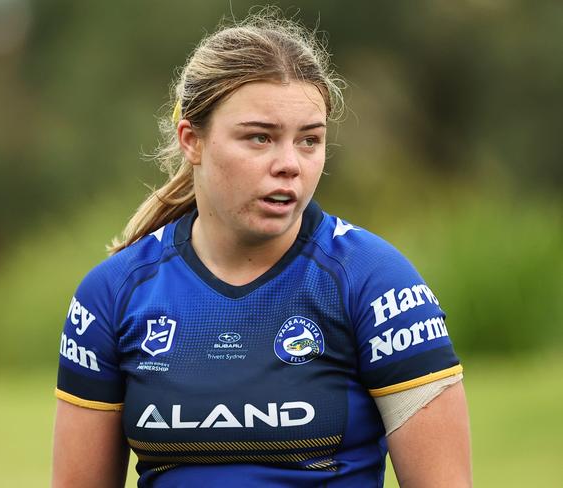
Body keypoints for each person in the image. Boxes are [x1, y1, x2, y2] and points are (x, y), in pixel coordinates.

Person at [52, 9, 472, 488]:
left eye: (309, 140)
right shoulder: (113, 294)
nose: (289, 164)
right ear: (193, 140)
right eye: (259, 138)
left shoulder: (376, 283)